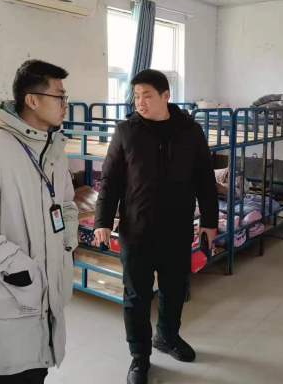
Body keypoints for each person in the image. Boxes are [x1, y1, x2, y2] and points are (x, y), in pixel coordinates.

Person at [0, 60, 79, 383]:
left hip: (47, 296)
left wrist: (66, 243)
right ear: (32, 100)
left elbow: (66, 204)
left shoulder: (54, 148)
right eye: (60, 96)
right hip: (10, 295)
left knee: (37, 368)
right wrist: (22, 267)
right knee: (10, 373)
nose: (65, 104)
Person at [94, 69, 218, 384]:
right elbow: (110, 180)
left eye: (147, 96)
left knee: (175, 289)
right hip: (137, 230)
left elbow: (205, 179)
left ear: (165, 96)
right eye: (136, 96)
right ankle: (140, 357)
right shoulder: (126, 131)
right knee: (136, 297)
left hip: (177, 229)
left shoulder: (190, 131)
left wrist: (209, 221)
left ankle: (167, 336)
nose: (140, 102)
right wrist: (102, 221)